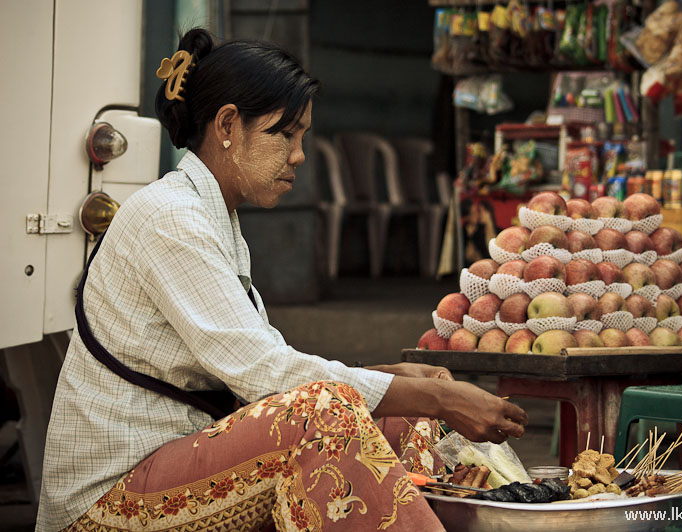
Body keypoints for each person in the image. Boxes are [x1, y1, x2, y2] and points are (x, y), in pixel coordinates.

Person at [36, 29, 526, 532]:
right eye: (284, 134)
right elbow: (265, 374)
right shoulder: (170, 218)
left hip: (175, 461)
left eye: (302, 137)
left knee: (402, 413)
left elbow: (262, 365)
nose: (298, 155)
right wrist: (439, 398)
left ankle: (503, 517)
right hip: (106, 500)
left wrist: (396, 381)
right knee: (328, 414)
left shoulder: (213, 216)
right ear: (228, 124)